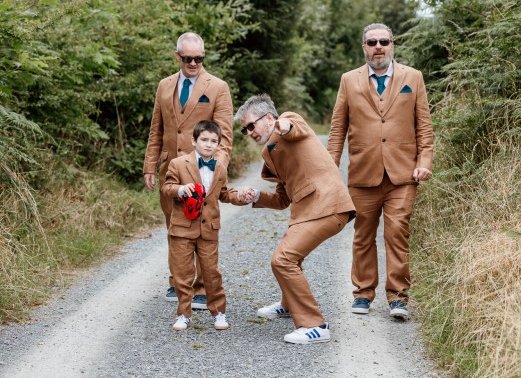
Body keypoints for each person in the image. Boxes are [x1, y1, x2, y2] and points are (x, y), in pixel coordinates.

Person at [327, 22, 434, 319]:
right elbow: (337, 129)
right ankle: (362, 293)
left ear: (392, 44)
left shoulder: (413, 77)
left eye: (383, 41)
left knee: (397, 233)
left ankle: (398, 298)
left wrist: (424, 163)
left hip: (403, 175)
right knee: (362, 234)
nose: (378, 47)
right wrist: (329, 168)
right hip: (364, 173)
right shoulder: (349, 80)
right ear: (364, 47)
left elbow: (424, 126)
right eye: (372, 42)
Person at [235, 94, 356, 344]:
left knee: (283, 259)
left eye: (251, 125)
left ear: (269, 118)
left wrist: (284, 126)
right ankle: (288, 304)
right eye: (245, 130)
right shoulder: (269, 154)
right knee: (291, 258)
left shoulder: (290, 121)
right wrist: (256, 195)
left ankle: (315, 325)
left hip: (328, 205)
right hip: (306, 212)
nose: (249, 132)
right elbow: (282, 200)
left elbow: (292, 127)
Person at [143, 32, 233, 309]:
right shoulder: (164, 86)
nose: (194, 63)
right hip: (171, 170)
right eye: (188, 59)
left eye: (199, 58)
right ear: (177, 56)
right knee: (175, 227)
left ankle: (203, 287)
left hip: (203, 170)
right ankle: (177, 282)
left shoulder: (218, 87)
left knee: (202, 228)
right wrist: (149, 164)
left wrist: (214, 170)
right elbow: (157, 128)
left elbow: (225, 137)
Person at [161, 120, 246, 331]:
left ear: (218, 144)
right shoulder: (178, 163)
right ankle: (183, 314)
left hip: (209, 229)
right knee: (182, 273)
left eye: (213, 141)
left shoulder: (220, 168)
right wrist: (181, 189)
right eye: (204, 140)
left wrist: (240, 196)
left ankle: (219, 312)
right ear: (194, 141)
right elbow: (167, 187)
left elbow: (224, 193)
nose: (208, 144)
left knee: (211, 273)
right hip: (183, 227)